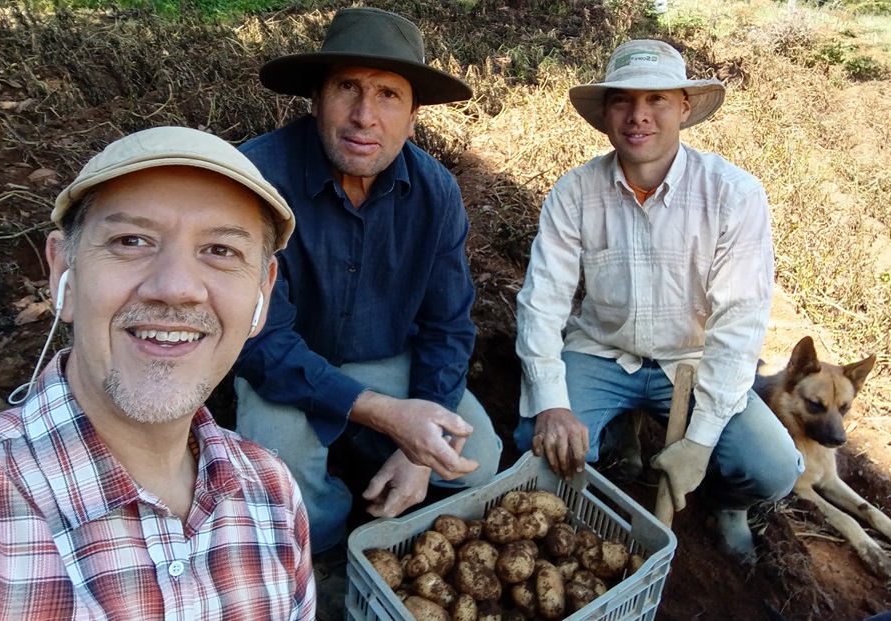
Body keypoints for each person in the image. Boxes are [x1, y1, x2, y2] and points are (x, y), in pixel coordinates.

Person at [0, 126, 315, 619]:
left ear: (263, 294)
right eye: (132, 240)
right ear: (63, 270)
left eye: (221, 250)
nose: (176, 287)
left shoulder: (273, 493)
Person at [515, 39, 803, 562]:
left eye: (658, 101)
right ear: (605, 112)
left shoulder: (733, 194)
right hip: (603, 352)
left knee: (772, 468)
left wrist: (702, 438)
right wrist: (553, 403)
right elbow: (543, 301)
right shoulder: (575, 192)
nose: (638, 116)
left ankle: (727, 502)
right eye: (623, 100)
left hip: (689, 362)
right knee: (537, 449)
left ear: (685, 108)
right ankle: (610, 443)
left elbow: (739, 322)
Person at [234, 6, 501, 562]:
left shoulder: (436, 193)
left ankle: (379, 470)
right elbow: (258, 341)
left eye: (388, 95)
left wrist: (418, 450)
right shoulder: (255, 179)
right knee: (282, 480)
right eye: (347, 88)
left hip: (384, 357)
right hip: (286, 364)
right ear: (315, 100)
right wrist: (385, 415)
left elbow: (448, 324)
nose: (364, 116)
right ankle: (328, 546)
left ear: (413, 116)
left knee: (484, 456)